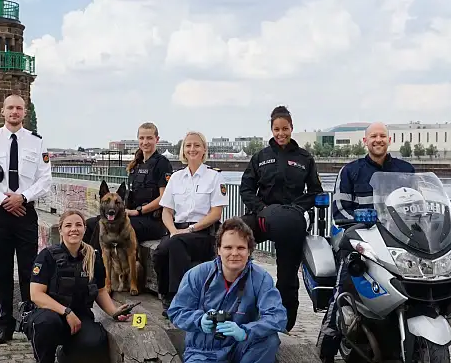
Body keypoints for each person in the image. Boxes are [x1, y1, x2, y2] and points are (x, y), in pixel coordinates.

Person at [167, 218, 287, 363]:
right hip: (205, 351)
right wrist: (199, 320)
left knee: (270, 339)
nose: (234, 253)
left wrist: (246, 331)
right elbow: (176, 311)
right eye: (228, 247)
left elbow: (278, 317)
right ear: (218, 249)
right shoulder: (197, 275)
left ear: (250, 250)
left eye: (241, 247)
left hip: (240, 345)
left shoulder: (261, 277)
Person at [318, 121, 415, 363]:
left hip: (397, 243)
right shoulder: (350, 171)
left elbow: (417, 208)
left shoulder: (405, 171)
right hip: (359, 241)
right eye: (373, 136)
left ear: (389, 140)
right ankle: (326, 350)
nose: (378, 140)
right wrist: (365, 222)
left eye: (382, 136)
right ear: (365, 141)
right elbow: (339, 211)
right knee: (343, 288)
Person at [23, 209, 132, 363]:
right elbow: (36, 295)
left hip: (80, 315)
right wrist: (66, 312)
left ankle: (64, 362)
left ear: (84, 229)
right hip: (51, 314)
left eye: (78, 225)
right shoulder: (47, 256)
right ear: (61, 230)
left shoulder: (93, 257)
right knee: (45, 324)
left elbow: (100, 290)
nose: (74, 229)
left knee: (95, 341)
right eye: (68, 225)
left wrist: (114, 312)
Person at [239, 105, 323, 331]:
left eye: (285, 129)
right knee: (236, 233)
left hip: (290, 221)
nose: (281, 134)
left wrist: (297, 209)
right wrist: (261, 208)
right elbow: (246, 188)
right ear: (271, 130)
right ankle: (240, 302)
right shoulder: (260, 157)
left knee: (287, 275)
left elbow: (315, 192)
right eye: (276, 129)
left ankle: (285, 323)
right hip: (264, 216)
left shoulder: (305, 158)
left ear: (291, 128)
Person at [0, 95, 52, 345]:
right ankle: (5, 323)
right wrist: (3, 200)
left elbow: (45, 179)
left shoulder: (36, 142)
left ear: (24, 112)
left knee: (29, 269)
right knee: (2, 270)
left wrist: (22, 197)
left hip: (25, 211)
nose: (14, 112)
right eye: (10, 107)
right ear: (2, 111)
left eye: (19, 108)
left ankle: (30, 320)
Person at [153, 131, 228, 315]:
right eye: (188, 145)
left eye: (196, 145)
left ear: (204, 150)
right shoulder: (176, 178)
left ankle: (180, 299)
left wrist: (190, 229)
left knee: (177, 244)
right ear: (183, 150)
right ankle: (166, 296)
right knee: (160, 251)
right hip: (177, 231)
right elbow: (167, 211)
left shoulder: (214, 177)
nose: (192, 149)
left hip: (204, 233)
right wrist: (173, 230)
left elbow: (216, 213)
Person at [84, 122, 172, 251]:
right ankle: (85, 263)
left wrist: (139, 211)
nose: (145, 142)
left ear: (157, 140)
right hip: (133, 216)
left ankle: (98, 266)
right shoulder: (137, 164)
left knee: (102, 226)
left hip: (152, 222)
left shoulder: (162, 164)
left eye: (149, 138)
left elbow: (164, 198)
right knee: (89, 224)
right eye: (142, 138)